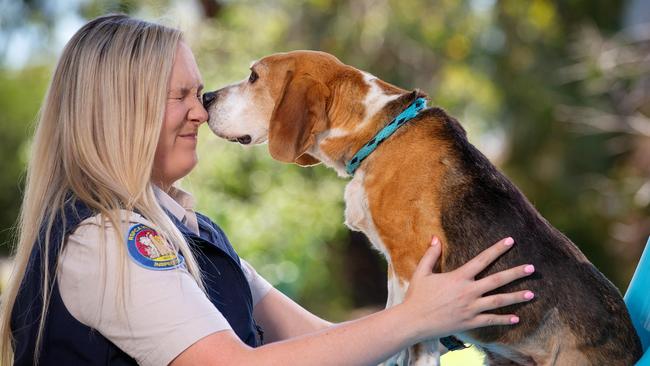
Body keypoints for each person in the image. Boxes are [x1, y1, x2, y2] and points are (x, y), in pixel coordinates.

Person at [0, 14, 536, 365]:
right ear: (120, 110)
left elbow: (323, 343)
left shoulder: (192, 233)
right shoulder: (104, 238)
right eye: (181, 96)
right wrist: (416, 317)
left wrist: (451, 313)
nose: (199, 111)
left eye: (198, 92)